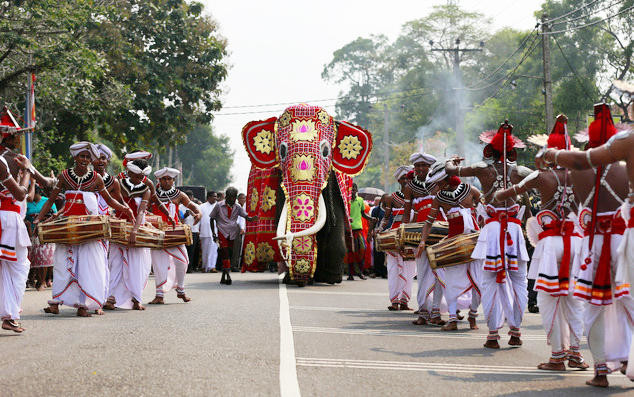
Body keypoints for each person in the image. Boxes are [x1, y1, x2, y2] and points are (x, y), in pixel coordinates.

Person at [537, 103, 634, 387]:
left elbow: (579, 161)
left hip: (594, 244)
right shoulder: (624, 165)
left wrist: (551, 153)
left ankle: (601, 370)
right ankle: (627, 358)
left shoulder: (575, 169)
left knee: (595, 306)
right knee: (628, 302)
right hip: (624, 239)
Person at [497, 115, 588, 371]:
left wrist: (497, 193)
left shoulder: (541, 176)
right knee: (574, 299)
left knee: (550, 300)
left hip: (550, 245)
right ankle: (576, 355)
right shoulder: (584, 176)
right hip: (577, 243)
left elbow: (508, 193)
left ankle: (557, 356)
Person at [446, 121, 532, 349]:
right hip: (513, 228)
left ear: (489, 150)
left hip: (493, 229)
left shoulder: (481, 168)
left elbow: (451, 171)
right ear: (513, 151)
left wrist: (452, 161)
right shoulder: (521, 172)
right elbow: (545, 178)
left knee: (490, 282)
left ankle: (493, 334)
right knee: (518, 282)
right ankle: (515, 332)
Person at [39, 142, 133, 317]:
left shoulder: (96, 178)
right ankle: (56, 302)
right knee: (63, 264)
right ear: (74, 158)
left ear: (91, 160)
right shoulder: (65, 176)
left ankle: (84, 305)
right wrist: (39, 218)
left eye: (88, 157)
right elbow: (51, 199)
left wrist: (125, 209)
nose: (84, 159)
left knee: (89, 266)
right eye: (81, 156)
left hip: (90, 228)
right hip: (68, 226)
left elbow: (110, 201)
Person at [416, 162, 482, 331]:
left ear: (445, 181)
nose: (436, 186)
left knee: (479, 282)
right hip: (454, 244)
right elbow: (428, 223)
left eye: (438, 183)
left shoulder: (470, 190)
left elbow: (485, 208)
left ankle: (472, 316)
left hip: (473, 240)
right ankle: (453, 319)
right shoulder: (440, 198)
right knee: (452, 283)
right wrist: (423, 241)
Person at [104, 158, 154, 311]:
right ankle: (111, 298)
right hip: (118, 227)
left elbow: (141, 212)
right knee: (115, 263)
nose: (138, 178)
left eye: (141, 175)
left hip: (136, 228)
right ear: (130, 171)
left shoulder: (146, 190)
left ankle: (136, 298)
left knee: (137, 265)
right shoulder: (119, 182)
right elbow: (111, 203)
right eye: (135, 174)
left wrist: (134, 230)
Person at [403, 152, 446, 326]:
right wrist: (404, 239)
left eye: (424, 166)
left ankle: (436, 311)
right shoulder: (409, 187)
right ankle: (423, 311)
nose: (420, 169)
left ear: (429, 167)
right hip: (419, 234)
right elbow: (407, 214)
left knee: (439, 273)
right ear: (414, 168)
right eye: (417, 166)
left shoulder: (438, 184)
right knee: (422, 274)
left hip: (441, 232)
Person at [148, 167, 201, 304]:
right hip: (157, 233)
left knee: (183, 261)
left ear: (173, 180)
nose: (166, 181)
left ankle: (180, 289)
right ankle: (159, 295)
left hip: (175, 233)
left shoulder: (179, 195)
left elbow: (193, 207)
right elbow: (144, 210)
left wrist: (198, 214)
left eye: (169, 179)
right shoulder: (152, 195)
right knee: (159, 265)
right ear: (159, 180)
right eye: (164, 179)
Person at [0, 151, 33, 333]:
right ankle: (10, 316)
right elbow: (21, 194)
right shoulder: (5, 161)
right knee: (20, 267)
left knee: (6, 268)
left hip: (6, 220)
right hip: (8, 220)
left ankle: (10, 314)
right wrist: (27, 170)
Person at [380, 166, 415, 310]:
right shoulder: (391, 198)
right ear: (398, 180)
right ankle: (395, 301)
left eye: (409, 178)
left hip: (411, 237)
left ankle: (404, 301)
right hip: (394, 238)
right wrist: (379, 230)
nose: (406, 181)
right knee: (394, 270)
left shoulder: (417, 197)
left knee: (409, 270)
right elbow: (385, 218)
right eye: (404, 178)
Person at [210, 187, 258, 285]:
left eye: (234, 197)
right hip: (222, 231)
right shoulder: (218, 206)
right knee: (225, 252)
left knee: (229, 254)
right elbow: (212, 219)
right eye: (230, 197)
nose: (232, 199)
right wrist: (214, 233)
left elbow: (246, 217)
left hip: (233, 232)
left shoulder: (237, 207)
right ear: (227, 196)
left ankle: (223, 276)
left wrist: (252, 218)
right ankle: (228, 275)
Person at [26, 185, 57, 290]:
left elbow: (54, 215)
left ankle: (44, 280)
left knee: (46, 259)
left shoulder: (47, 201)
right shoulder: (27, 202)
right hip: (31, 234)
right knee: (36, 258)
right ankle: (37, 280)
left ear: (37, 192)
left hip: (46, 233)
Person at [347, 184, 372, 280]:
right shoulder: (346, 201)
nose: (352, 191)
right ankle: (350, 274)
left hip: (359, 230)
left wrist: (371, 218)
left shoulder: (360, 200)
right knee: (350, 252)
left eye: (354, 189)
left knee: (362, 250)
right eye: (351, 190)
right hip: (349, 230)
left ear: (356, 190)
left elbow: (363, 214)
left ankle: (360, 272)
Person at [369, 194, 388, 278]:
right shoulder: (376, 210)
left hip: (389, 234)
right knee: (377, 253)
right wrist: (370, 232)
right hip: (378, 234)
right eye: (386, 199)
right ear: (382, 200)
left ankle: (385, 272)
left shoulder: (391, 209)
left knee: (387, 254)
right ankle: (377, 272)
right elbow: (372, 222)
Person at [199, 191, 218, 273]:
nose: (216, 198)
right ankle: (204, 266)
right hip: (205, 231)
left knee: (214, 250)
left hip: (215, 232)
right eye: (214, 196)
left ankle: (212, 266)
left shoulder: (218, 206)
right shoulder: (201, 206)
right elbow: (199, 219)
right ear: (209, 197)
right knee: (205, 250)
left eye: (216, 196)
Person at [231, 193, 247, 272]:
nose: (242, 200)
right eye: (241, 198)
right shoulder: (236, 206)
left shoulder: (245, 206)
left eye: (244, 198)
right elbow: (238, 219)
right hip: (237, 229)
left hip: (243, 229)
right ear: (238, 199)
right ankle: (234, 265)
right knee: (236, 248)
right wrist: (241, 228)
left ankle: (239, 264)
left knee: (241, 248)